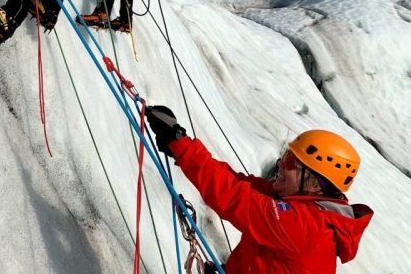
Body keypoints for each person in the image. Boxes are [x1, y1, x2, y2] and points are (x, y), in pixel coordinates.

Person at [145, 105, 374, 274]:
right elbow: (236, 183)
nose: (281, 165)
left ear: (314, 184)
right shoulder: (296, 202)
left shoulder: (306, 227)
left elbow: (235, 198)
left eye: (292, 163)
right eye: (286, 156)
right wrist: (181, 148)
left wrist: (181, 145)